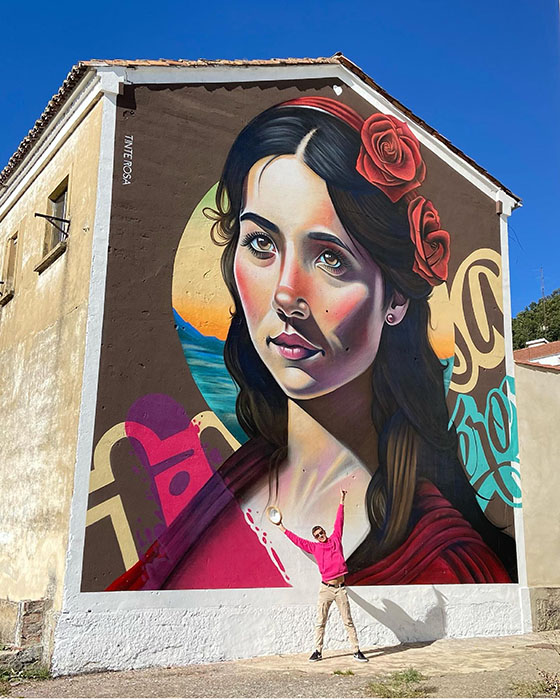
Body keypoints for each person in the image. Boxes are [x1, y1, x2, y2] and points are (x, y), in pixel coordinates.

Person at [108, 95, 517, 591]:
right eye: (261, 243)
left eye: (330, 258)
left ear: (395, 299)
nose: (286, 294)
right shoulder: (236, 478)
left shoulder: (448, 563)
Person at [276, 488, 368, 662]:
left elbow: (339, 521)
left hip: (340, 589)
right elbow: (298, 541)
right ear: (315, 538)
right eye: (317, 535)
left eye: (321, 532)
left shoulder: (335, 539)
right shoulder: (314, 547)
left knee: (348, 621)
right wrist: (282, 528)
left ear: (325, 532)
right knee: (320, 621)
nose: (320, 536)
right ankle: (317, 651)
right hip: (325, 589)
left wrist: (342, 500)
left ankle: (356, 651)